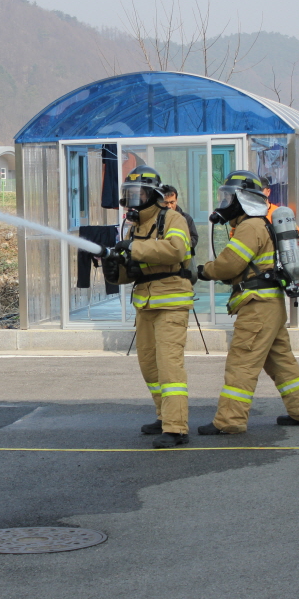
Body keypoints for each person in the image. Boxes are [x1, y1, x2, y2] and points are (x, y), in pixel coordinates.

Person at [195, 170, 299, 434]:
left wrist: (203, 271)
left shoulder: (250, 227)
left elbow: (229, 265)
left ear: (243, 199)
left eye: (229, 197)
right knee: (281, 362)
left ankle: (229, 421)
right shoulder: (260, 223)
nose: (224, 203)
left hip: (257, 307)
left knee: (241, 364)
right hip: (270, 305)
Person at [104, 166, 194, 448]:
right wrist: (114, 268)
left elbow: (176, 250)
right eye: (129, 194)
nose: (133, 199)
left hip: (171, 301)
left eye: (139, 193)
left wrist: (132, 248)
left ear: (153, 194)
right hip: (145, 302)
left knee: (169, 367)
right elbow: (134, 271)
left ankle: (176, 428)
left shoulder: (173, 219)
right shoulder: (135, 226)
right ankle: (164, 415)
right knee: (149, 366)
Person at [160, 185, 199, 253]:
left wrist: (180, 247)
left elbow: (194, 238)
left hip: (182, 257)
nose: (169, 206)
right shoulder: (156, 219)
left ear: (176, 201)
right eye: (166, 203)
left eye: (172, 202)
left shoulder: (186, 218)